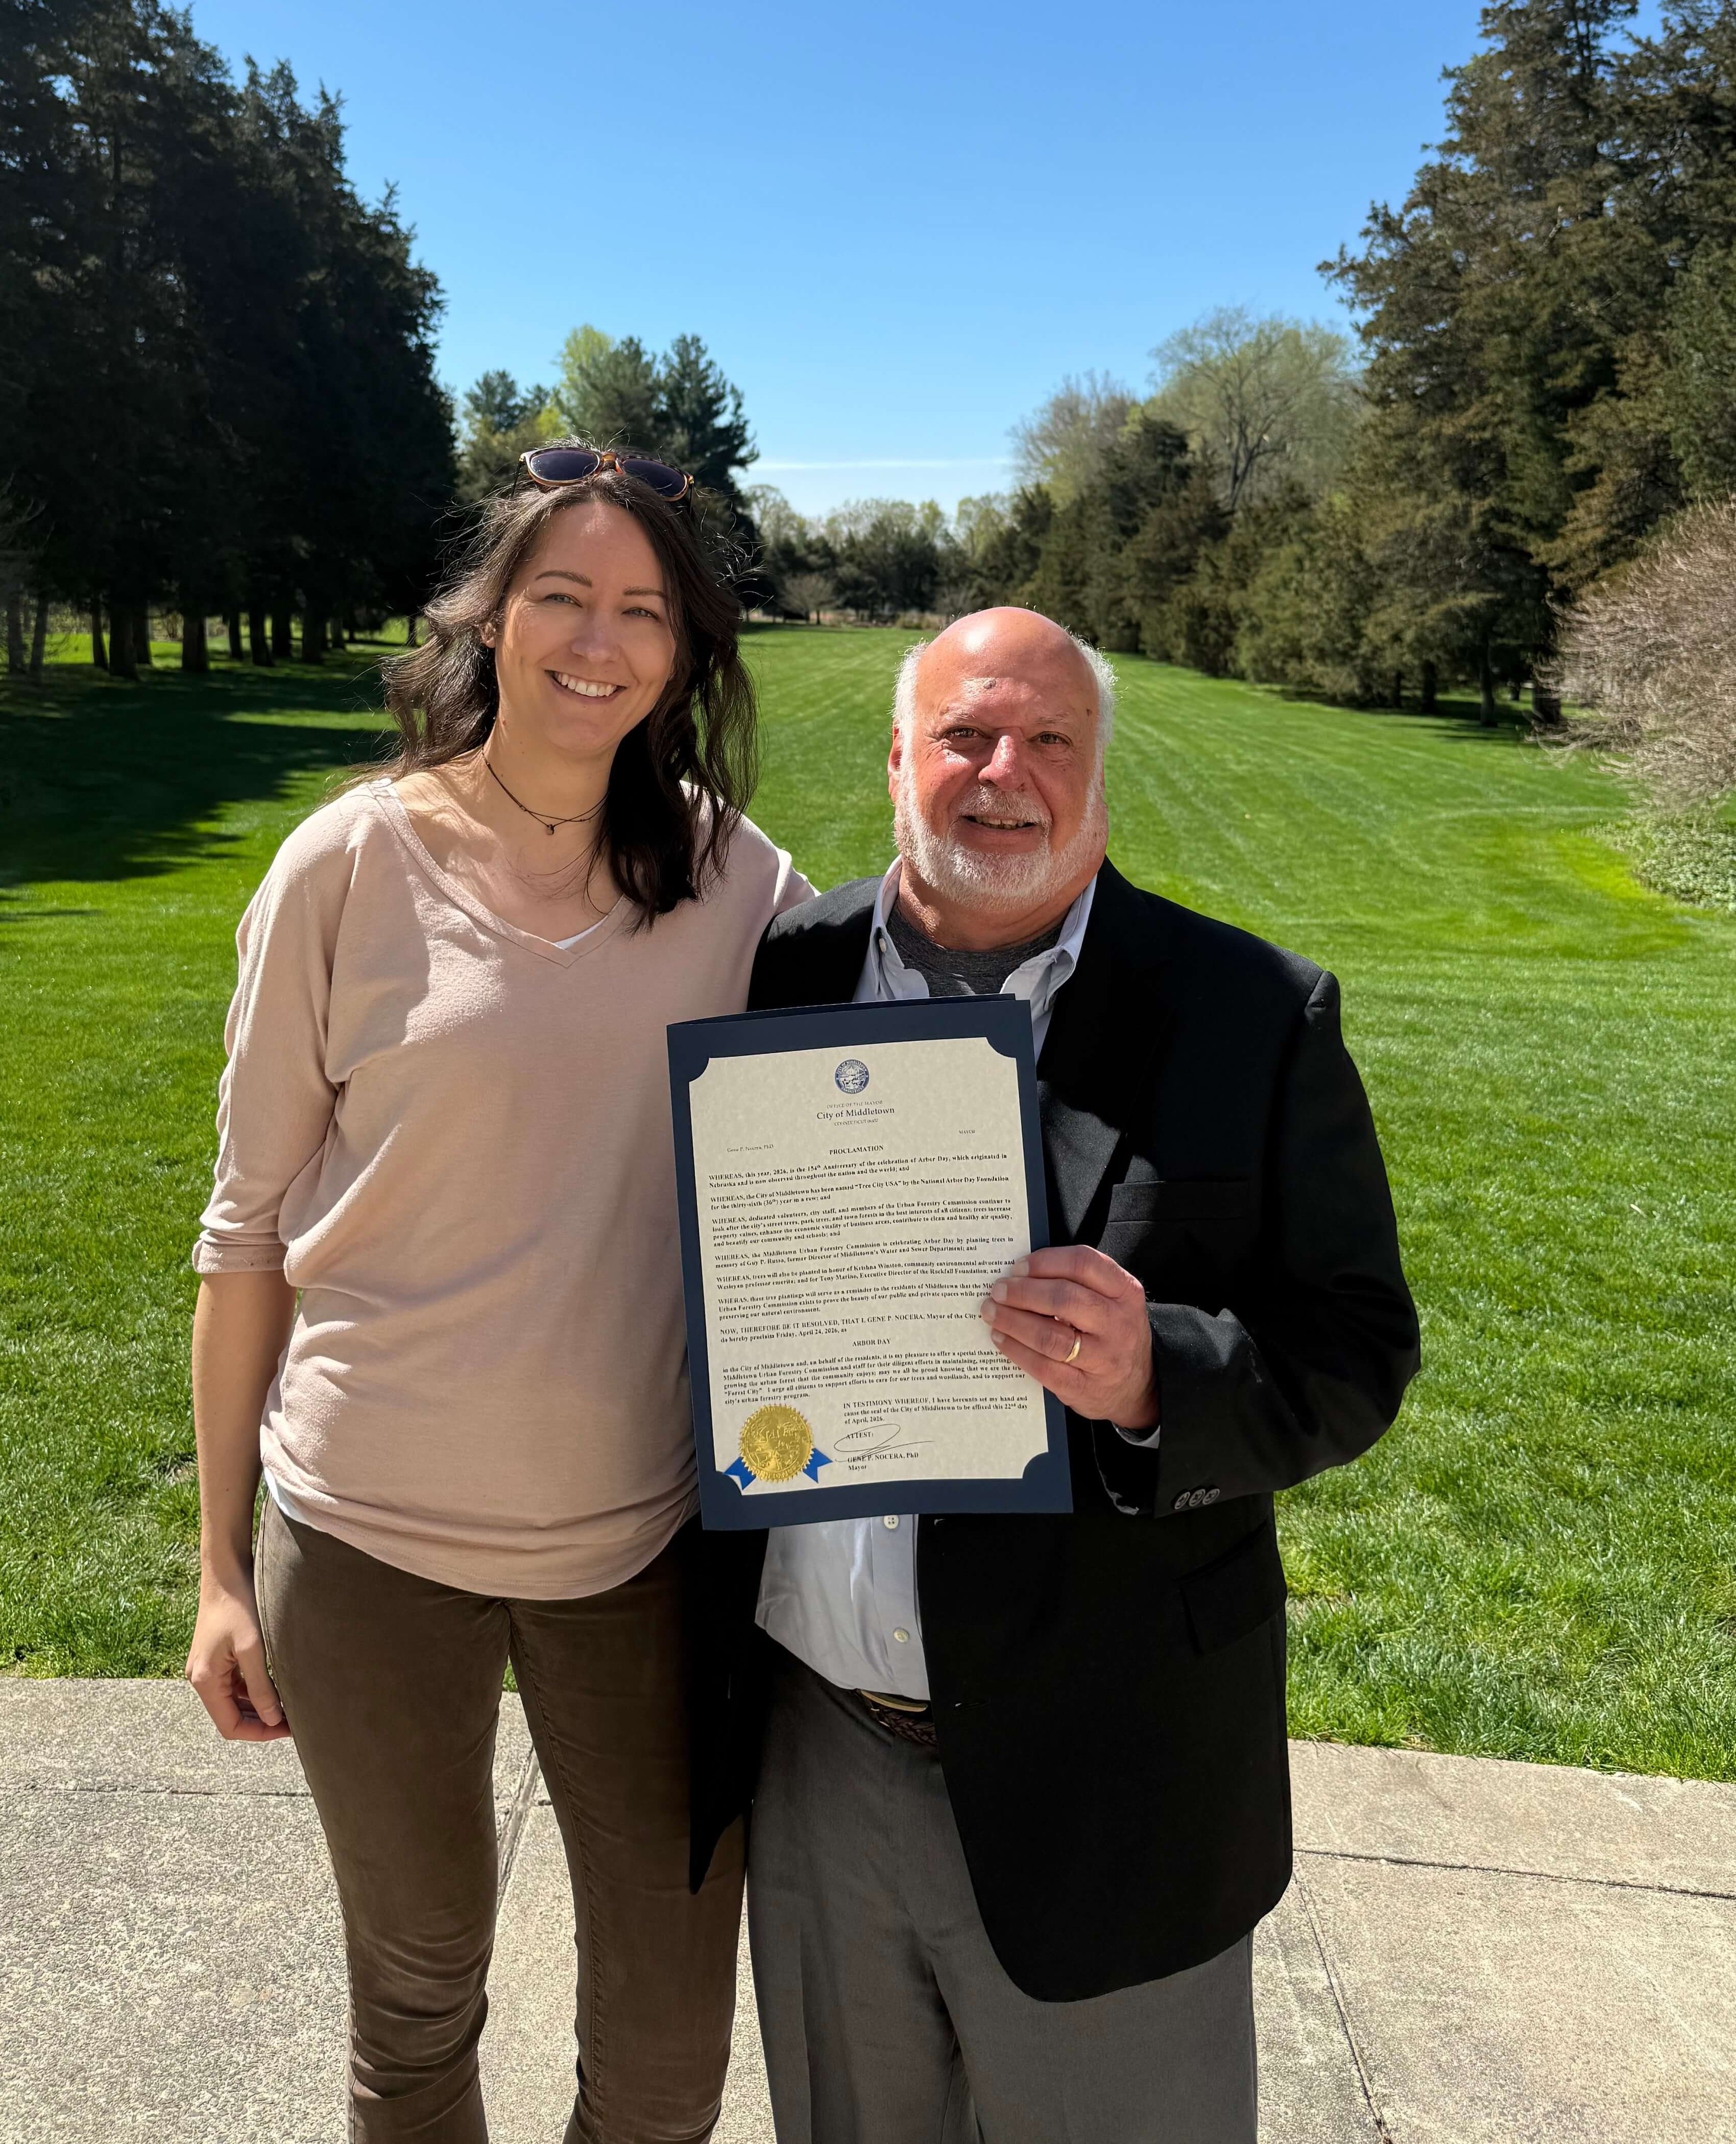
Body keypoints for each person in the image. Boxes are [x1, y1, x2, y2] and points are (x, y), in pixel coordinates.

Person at [184, 445, 809, 2144]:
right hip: (367, 1536)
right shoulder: (344, 866)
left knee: (673, 2048)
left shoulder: (736, 886)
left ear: (684, 651)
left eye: (642, 610)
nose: (597, 642)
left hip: (646, 1548)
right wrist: (223, 1567)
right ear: (487, 616)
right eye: (561, 598)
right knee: (414, 1999)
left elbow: (872, 1110)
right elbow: (243, 1239)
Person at [735, 607, 1420, 2144]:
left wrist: (1151, 1378)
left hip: (1114, 1774)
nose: (1005, 774)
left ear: (1103, 777)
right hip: (819, 1750)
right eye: (968, 735)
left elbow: (1359, 1353)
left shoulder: (1249, 1014)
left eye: (1051, 741)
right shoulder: (787, 975)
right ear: (900, 758)